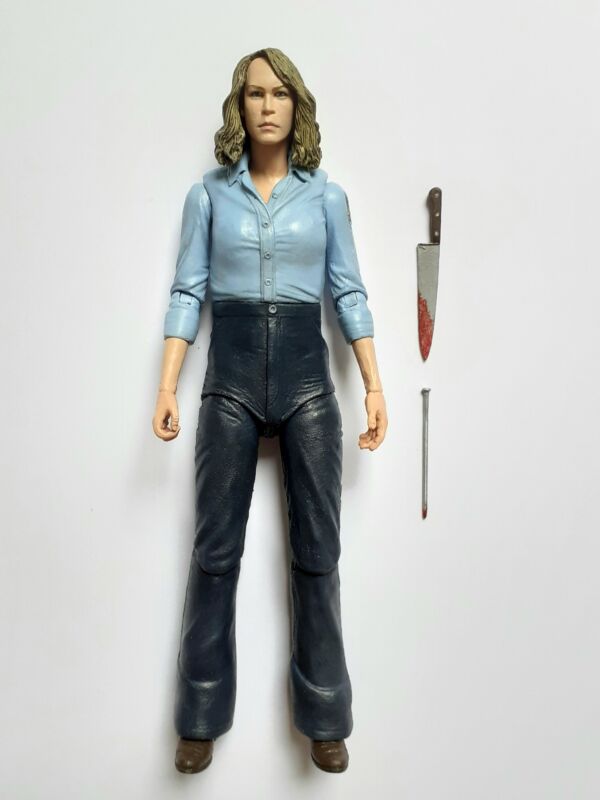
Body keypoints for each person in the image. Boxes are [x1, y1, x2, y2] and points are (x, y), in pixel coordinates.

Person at [152, 47, 388, 775]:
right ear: (239, 105)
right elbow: (188, 289)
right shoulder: (207, 196)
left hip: (306, 379)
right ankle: (199, 717)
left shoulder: (327, 198)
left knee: (318, 555)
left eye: (280, 94)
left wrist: (374, 385)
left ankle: (326, 718)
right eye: (255, 93)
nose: (267, 106)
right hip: (228, 379)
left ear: (297, 105)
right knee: (213, 554)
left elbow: (348, 291)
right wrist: (166, 386)